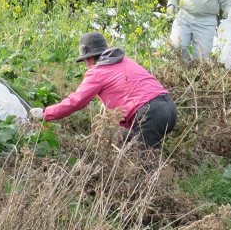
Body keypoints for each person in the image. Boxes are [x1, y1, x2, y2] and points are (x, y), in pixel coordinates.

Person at [29, 32, 178, 148]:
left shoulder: (98, 72)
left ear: (90, 57)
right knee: (121, 137)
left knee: (143, 165)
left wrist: (45, 113)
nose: (86, 65)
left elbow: (76, 101)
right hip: (169, 108)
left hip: (149, 113)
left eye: (85, 60)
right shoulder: (123, 60)